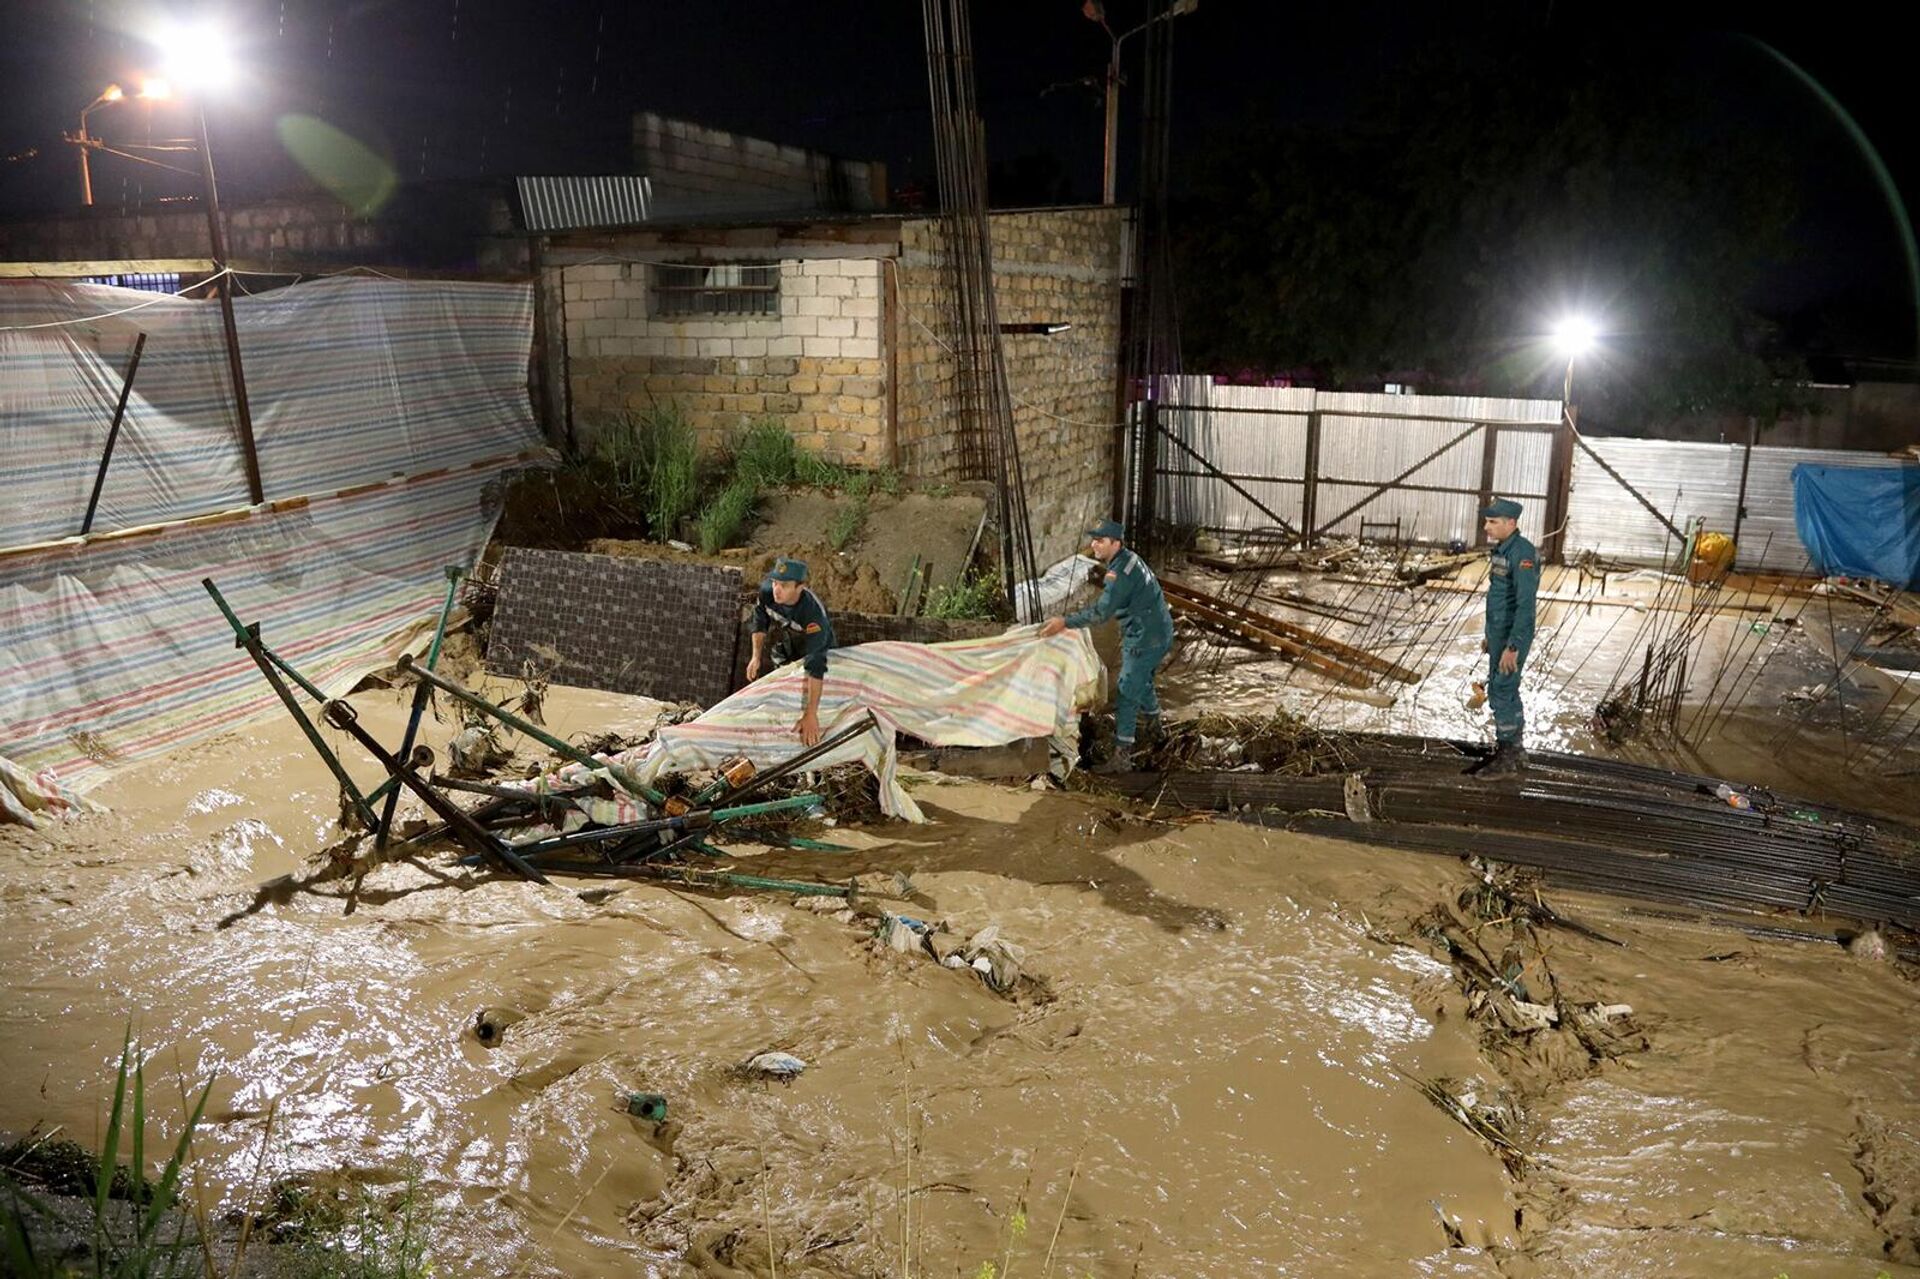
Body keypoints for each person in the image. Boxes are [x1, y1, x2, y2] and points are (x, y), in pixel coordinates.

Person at [1040, 519, 1174, 774]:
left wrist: (1065, 622)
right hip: (1159, 630)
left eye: (1100, 540)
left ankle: (1122, 757)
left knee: (1125, 691)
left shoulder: (1118, 574)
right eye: (1094, 539)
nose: (1094, 544)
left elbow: (1101, 614)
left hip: (1145, 636)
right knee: (1142, 680)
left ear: (1116, 543)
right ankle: (1157, 733)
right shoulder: (1130, 559)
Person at [1479, 497, 1540, 777]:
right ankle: (1515, 750)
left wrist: (1513, 646)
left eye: (1493, 522)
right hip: (1500, 633)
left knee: (1501, 690)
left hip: (1513, 635)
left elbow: (1525, 605)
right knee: (1505, 688)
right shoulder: (1503, 549)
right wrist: (1491, 637)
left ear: (1511, 523)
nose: (1486, 527)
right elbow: (1499, 597)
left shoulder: (1522, 553)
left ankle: (1506, 755)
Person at [747, 556, 834, 746]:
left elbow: (816, 664)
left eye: (784, 585)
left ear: (800, 587)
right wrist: (755, 656)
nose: (777, 589)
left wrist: (811, 714)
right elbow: (759, 621)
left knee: (819, 684)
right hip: (789, 641)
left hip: (816, 646)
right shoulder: (768, 592)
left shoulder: (813, 615)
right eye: (775, 582)